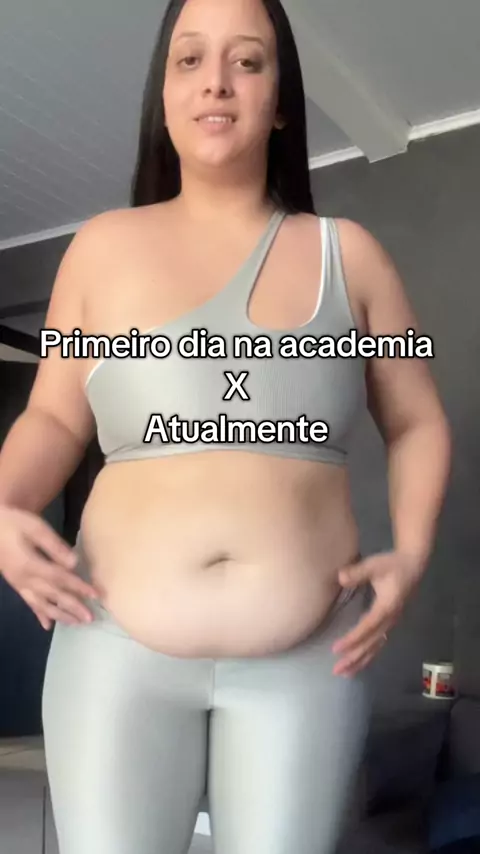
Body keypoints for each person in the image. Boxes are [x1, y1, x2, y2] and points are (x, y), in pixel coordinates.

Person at [0, 0, 451, 851]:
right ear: (164, 95)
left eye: (247, 61)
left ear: (280, 100)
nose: (216, 81)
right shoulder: (100, 249)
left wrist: (414, 551)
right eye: (190, 60)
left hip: (308, 664)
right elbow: (53, 416)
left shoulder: (349, 255)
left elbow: (418, 418)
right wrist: (5, 506)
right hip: (113, 650)